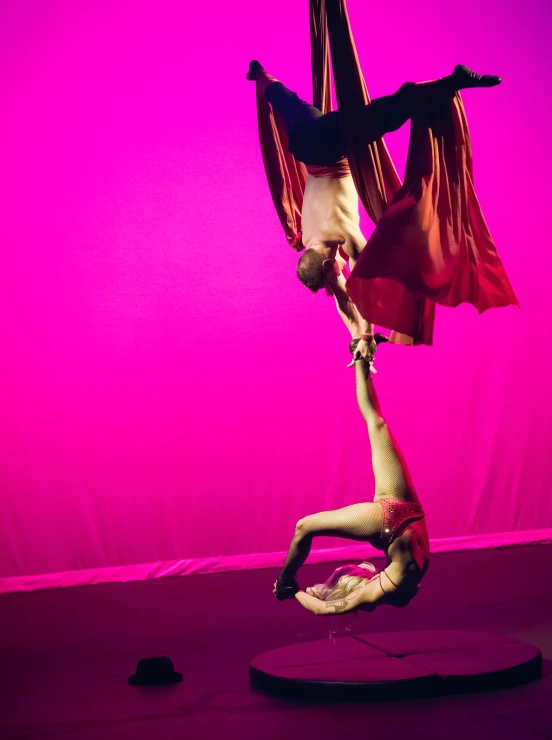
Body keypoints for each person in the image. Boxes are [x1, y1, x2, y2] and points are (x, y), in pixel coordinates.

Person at [248, 60, 502, 359]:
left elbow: (360, 293)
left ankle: (450, 81)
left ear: (330, 268)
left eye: (333, 277)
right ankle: (261, 75)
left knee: (384, 116)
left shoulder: (346, 237)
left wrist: (366, 334)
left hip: (330, 146)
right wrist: (357, 336)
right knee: (285, 100)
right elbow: (343, 299)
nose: (338, 280)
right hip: (302, 143)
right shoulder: (308, 242)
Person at [273, 344, 429, 614]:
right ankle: (361, 355)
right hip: (406, 510)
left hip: (393, 520)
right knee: (377, 422)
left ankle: (359, 356)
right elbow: (322, 609)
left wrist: (297, 592)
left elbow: (322, 609)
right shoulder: (382, 591)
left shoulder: (383, 589)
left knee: (305, 526)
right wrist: (292, 591)